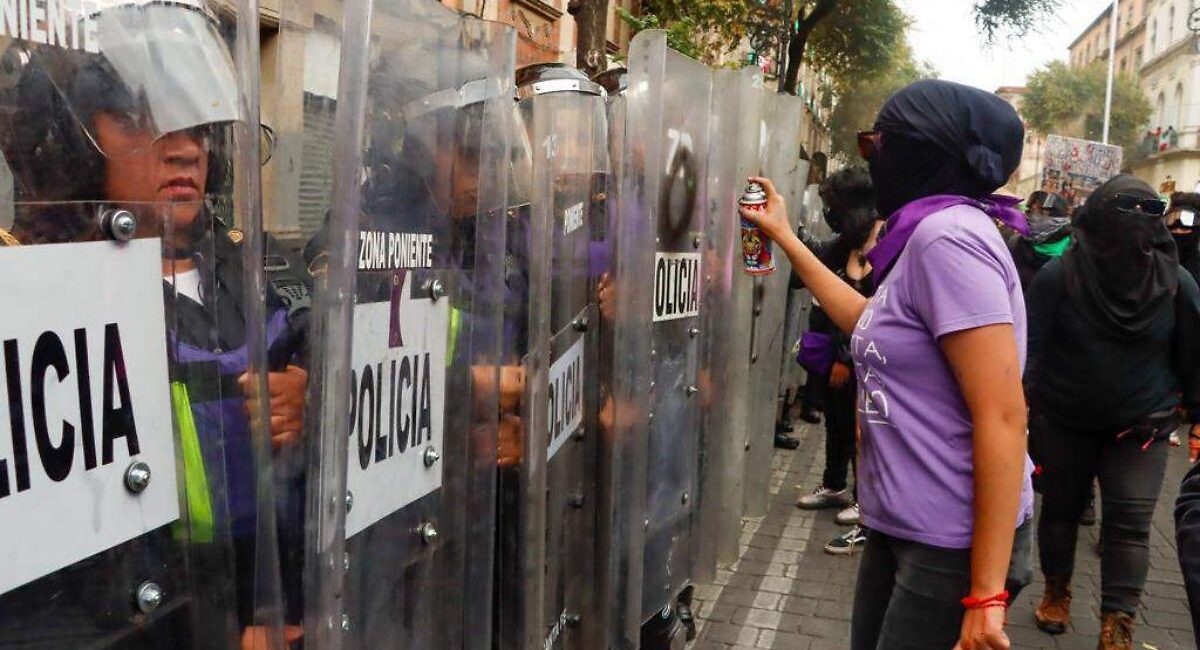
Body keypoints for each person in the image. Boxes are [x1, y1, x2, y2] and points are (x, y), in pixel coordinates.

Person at [0, 2, 307, 647]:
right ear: (68, 136)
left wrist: (311, 401)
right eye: (142, 118)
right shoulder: (31, 294)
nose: (186, 147)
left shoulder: (251, 271)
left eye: (195, 121)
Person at [742, 79, 1034, 650]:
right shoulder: (927, 230)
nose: (871, 159)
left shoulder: (947, 238)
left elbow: (1002, 415)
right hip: (903, 523)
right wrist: (781, 236)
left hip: (947, 542)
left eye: (878, 144)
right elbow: (869, 322)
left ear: (924, 152)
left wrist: (986, 593)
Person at [1025, 175, 1200, 650]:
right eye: (1126, 211)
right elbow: (1032, 350)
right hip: (1064, 420)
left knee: (1130, 526)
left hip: (1142, 425)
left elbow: (1192, 354)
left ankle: (1117, 625)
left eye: (1149, 213)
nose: (1136, 225)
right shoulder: (1059, 275)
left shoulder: (1177, 284)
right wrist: (1024, 411)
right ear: (1099, 218)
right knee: (1060, 512)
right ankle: (1057, 591)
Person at [792, 168, 878, 539]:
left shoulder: (881, 241)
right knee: (838, 420)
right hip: (833, 349)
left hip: (864, 357)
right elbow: (807, 272)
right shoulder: (842, 243)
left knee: (864, 430)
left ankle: (867, 502)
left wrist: (845, 358)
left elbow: (867, 307)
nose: (829, 213)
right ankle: (834, 485)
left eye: (833, 206)